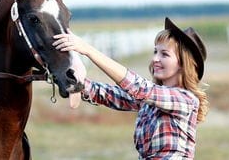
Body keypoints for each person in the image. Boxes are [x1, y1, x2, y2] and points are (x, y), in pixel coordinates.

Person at [52, 17, 209, 159]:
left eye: (164, 54)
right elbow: (111, 95)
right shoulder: (150, 102)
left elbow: (138, 88)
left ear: (183, 63)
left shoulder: (186, 100)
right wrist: (75, 80)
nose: (155, 59)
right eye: (155, 51)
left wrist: (88, 50)